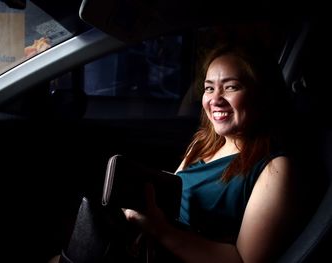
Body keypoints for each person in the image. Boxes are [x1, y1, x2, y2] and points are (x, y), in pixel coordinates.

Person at [122, 42, 301, 263]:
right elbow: (171, 202)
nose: (215, 100)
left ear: (262, 94)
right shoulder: (202, 144)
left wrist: (160, 230)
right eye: (209, 88)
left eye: (231, 87)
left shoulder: (276, 168)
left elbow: (244, 260)